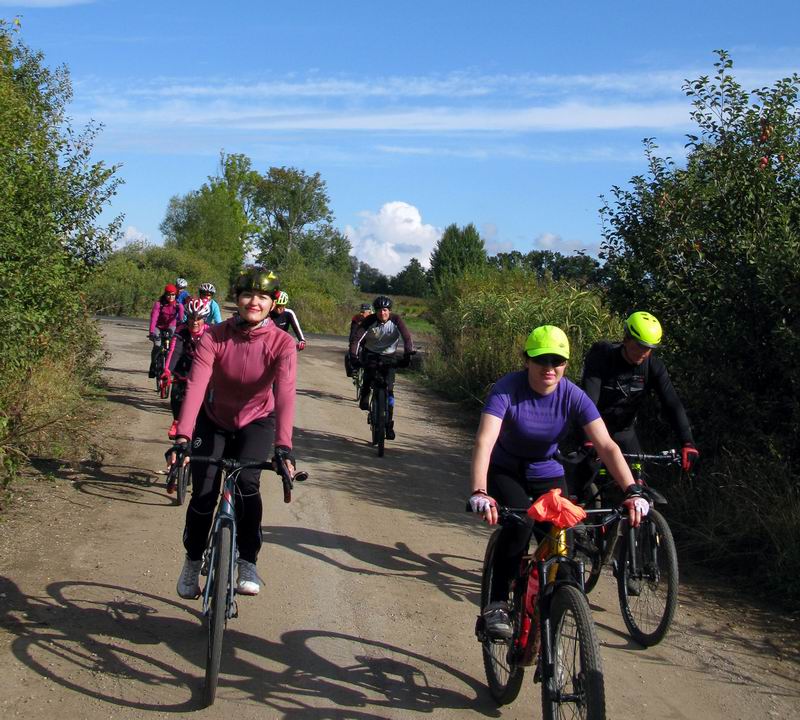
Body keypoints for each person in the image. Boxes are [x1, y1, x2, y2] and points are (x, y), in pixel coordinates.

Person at [468, 325, 646, 640]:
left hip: (546, 471)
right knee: (520, 523)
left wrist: (632, 490)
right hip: (505, 469)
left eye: (558, 361)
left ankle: (554, 610)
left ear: (566, 363)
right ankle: (497, 603)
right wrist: (480, 492)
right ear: (527, 360)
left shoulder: (572, 395)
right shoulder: (507, 389)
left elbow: (606, 446)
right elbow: (485, 441)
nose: (550, 368)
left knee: (563, 540)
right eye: (542, 360)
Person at [166, 268, 297, 599]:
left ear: (272, 303)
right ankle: (193, 562)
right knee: (204, 493)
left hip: (257, 421)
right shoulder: (214, 335)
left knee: (247, 487)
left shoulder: (282, 343)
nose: (254, 302)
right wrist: (182, 437)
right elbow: (196, 385)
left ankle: (247, 560)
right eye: (248, 295)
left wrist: (283, 447)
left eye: (263, 297)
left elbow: (285, 393)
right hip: (214, 419)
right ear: (237, 299)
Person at [577, 311, 699, 485]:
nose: (643, 352)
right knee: (586, 476)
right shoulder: (602, 356)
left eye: (648, 348)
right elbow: (589, 401)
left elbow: (672, 404)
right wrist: (588, 439)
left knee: (638, 483)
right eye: (639, 345)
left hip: (624, 431)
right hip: (594, 428)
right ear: (626, 339)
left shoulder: (654, 367)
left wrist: (687, 442)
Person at [349, 295, 413, 440]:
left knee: (389, 391)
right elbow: (356, 340)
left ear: (389, 311)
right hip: (371, 354)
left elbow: (407, 338)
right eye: (378, 310)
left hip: (389, 356)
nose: (382, 313)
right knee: (369, 375)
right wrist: (353, 356)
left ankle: (389, 424)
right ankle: (365, 394)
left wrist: (408, 353)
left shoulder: (396, 320)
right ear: (375, 311)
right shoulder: (369, 321)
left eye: (385, 310)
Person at [161, 297, 211, 446]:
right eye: (191, 318)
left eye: (198, 318)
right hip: (183, 368)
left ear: (205, 319)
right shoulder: (181, 330)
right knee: (176, 396)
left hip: (203, 370)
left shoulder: (210, 333)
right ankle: (177, 420)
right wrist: (167, 371)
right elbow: (174, 351)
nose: (194, 322)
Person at [148, 284, 185, 378]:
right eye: (168, 294)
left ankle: (168, 366)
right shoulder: (159, 304)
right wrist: (152, 332)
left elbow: (181, 321)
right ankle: (153, 364)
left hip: (171, 326)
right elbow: (154, 318)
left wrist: (180, 332)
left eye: (173, 294)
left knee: (170, 346)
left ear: (176, 295)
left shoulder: (179, 306)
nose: (171, 297)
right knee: (157, 345)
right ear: (165, 294)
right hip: (158, 327)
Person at [344, 303, 373, 377]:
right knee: (350, 354)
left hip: (366, 341)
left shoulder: (372, 319)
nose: (371, 313)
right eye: (369, 312)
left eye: (370, 312)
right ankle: (353, 369)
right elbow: (353, 331)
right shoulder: (358, 318)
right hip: (360, 341)